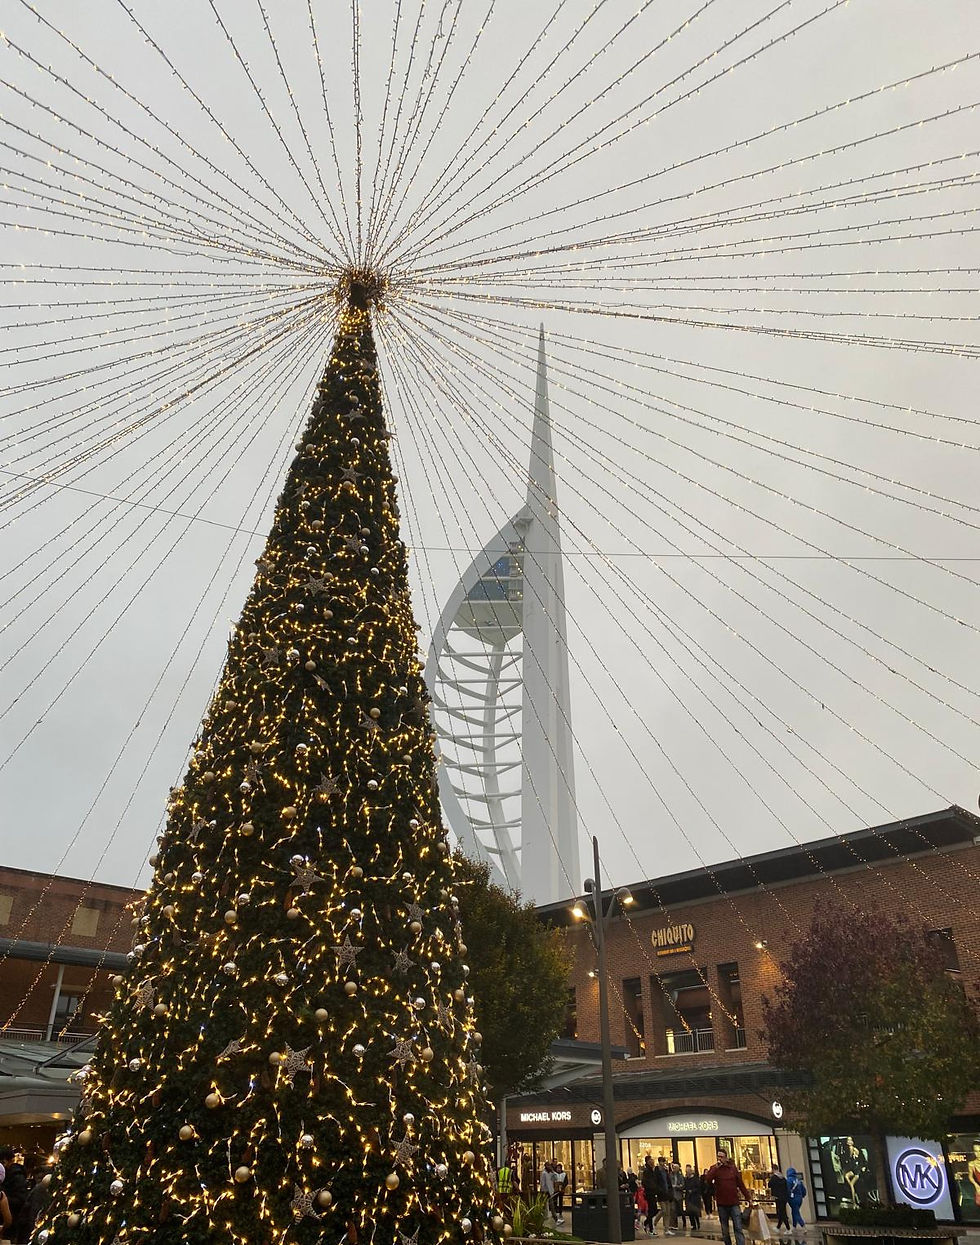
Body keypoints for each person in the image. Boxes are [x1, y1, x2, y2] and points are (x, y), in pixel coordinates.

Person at [704, 1148, 751, 1245]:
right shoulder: (714, 1168)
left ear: (726, 1158)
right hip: (722, 1203)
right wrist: (715, 1168)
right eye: (718, 1157)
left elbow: (740, 1184)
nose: (719, 1159)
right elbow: (708, 1179)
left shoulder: (732, 1168)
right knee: (725, 1229)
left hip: (733, 1202)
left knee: (738, 1227)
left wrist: (748, 1197)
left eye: (722, 1157)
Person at [0, 1148, 28, 1244]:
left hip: (10, 1225)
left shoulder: (17, 1176)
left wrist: (5, 1201)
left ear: (10, 1160)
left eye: (3, 1162)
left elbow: (20, 1200)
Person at [641, 1155, 661, 1235]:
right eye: (651, 1160)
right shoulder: (647, 1171)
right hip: (649, 1193)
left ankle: (647, 1223)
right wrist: (653, 1188)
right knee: (652, 1209)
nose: (652, 1162)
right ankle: (650, 1227)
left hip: (652, 1192)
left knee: (654, 1210)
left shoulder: (652, 1171)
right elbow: (647, 1182)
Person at [656, 1156, 676, 1235]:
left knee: (668, 1212)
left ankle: (666, 1228)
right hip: (661, 1194)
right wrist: (659, 1190)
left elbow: (668, 1182)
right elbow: (657, 1182)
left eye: (664, 1162)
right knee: (663, 1210)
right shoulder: (657, 1171)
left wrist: (670, 1190)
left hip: (667, 1193)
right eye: (662, 1162)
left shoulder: (665, 1171)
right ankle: (655, 1221)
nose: (663, 1163)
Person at [768, 1165, 790, 1231]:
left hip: (778, 1197)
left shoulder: (774, 1177)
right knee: (781, 1211)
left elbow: (769, 1185)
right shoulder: (783, 1177)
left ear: (773, 1169)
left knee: (782, 1212)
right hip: (784, 1197)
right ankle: (778, 1227)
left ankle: (788, 1228)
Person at [684, 1165, 703, 1232]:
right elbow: (685, 1186)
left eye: (687, 1171)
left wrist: (692, 1190)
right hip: (688, 1197)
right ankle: (693, 1224)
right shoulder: (686, 1179)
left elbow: (698, 1187)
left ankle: (697, 1223)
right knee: (690, 1212)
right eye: (686, 1171)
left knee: (695, 1211)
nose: (687, 1173)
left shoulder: (695, 1179)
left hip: (694, 1197)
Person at [670, 1163, 685, 1232]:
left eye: (675, 1168)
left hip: (679, 1195)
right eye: (673, 1168)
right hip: (673, 1195)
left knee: (680, 1210)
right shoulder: (670, 1175)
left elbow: (682, 1185)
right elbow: (669, 1184)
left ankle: (684, 1221)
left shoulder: (680, 1176)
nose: (674, 1169)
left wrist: (677, 1186)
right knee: (673, 1210)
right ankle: (674, 1224)